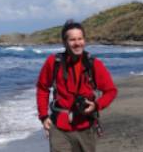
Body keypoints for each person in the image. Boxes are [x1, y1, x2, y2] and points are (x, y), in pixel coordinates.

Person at [36, 19, 118, 152]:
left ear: (84, 40)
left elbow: (111, 91)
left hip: (86, 127)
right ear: (64, 42)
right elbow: (42, 88)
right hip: (59, 128)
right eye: (72, 40)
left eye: (80, 39)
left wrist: (96, 105)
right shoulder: (54, 62)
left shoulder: (93, 64)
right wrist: (43, 116)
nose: (77, 43)